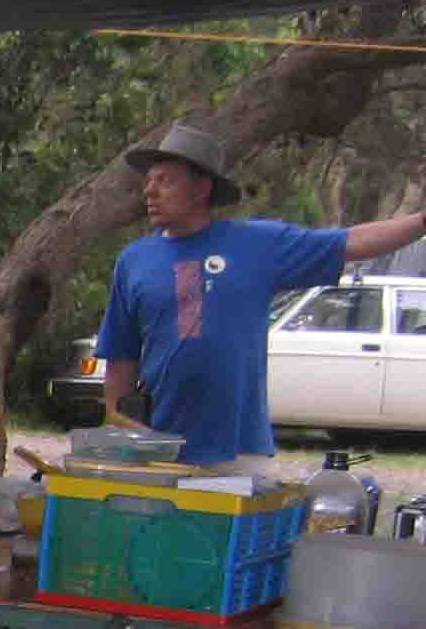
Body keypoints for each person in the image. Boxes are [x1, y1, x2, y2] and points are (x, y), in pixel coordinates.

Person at [97, 121, 426, 469]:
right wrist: (120, 431)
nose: (150, 191)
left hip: (237, 449)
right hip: (156, 445)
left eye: (165, 180)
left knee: (236, 524)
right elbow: (121, 356)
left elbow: (351, 242)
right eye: (148, 181)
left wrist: (421, 222)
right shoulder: (135, 260)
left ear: (201, 188)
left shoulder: (256, 245)